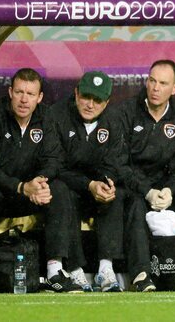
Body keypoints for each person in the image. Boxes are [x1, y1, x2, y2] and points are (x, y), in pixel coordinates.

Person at [0, 68, 73, 293]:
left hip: (31, 192)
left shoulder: (47, 117)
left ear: (40, 97)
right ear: (10, 92)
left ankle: (55, 269)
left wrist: (39, 182)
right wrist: (20, 186)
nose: (24, 99)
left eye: (30, 94)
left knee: (60, 189)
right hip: (2, 190)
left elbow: (54, 159)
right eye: (19, 92)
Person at [40, 70, 128, 292]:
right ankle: (75, 269)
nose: (90, 104)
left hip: (96, 188)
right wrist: (88, 185)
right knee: (60, 191)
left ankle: (105, 270)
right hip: (69, 185)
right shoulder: (56, 115)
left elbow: (115, 161)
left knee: (115, 195)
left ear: (107, 102)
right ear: (76, 93)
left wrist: (106, 183)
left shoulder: (115, 120)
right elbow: (55, 164)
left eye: (97, 100)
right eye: (86, 97)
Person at [114, 60, 175, 293]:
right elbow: (119, 164)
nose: (155, 88)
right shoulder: (125, 112)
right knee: (135, 204)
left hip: (165, 190)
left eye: (162, 83)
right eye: (152, 81)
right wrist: (147, 191)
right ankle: (141, 275)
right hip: (134, 187)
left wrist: (170, 190)